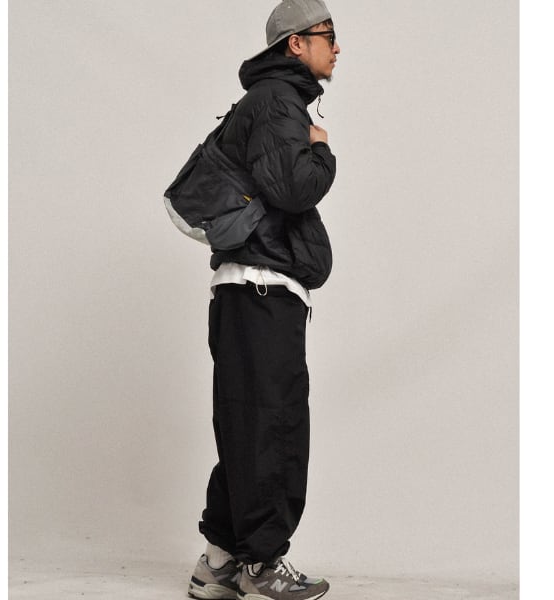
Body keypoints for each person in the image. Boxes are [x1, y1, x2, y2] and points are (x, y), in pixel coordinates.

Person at [186, 1, 340, 599]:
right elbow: (294, 189)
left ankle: (220, 562)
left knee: (246, 426)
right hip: (262, 289)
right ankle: (262, 565)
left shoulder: (267, 100)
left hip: (247, 290)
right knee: (273, 427)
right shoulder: (278, 102)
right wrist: (320, 149)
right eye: (328, 35)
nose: (337, 48)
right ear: (296, 43)